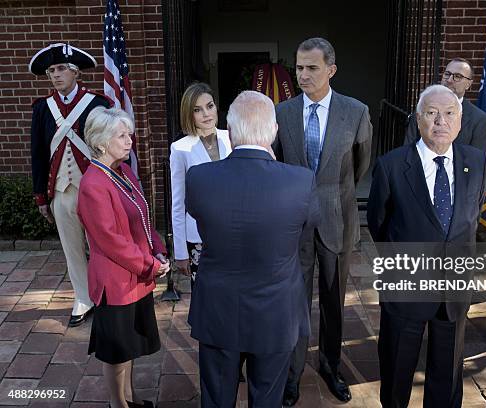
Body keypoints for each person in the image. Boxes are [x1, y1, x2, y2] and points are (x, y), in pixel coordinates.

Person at [185, 90, 319, 408]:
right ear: (273, 131)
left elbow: (196, 214)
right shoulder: (301, 181)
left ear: (230, 133)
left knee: (216, 399)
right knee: (268, 398)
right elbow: (306, 229)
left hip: (218, 309)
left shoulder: (200, 178)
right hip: (276, 311)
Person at [368, 84, 486, 408]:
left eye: (449, 114)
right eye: (431, 113)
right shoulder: (391, 166)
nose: (441, 122)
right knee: (397, 368)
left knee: (447, 373)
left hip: (453, 289)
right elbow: (379, 226)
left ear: (460, 120)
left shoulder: (476, 161)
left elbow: (470, 218)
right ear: (418, 120)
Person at [273, 37, 373, 405]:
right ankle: (291, 374)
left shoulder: (356, 111)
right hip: (294, 224)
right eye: (298, 67)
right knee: (294, 302)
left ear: (331, 70)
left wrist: (333, 195)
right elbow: (278, 164)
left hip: (337, 218)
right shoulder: (282, 113)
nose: (303, 75)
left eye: (312, 68)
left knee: (333, 302)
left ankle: (331, 367)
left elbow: (361, 163)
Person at [77, 107, 169, 408]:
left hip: (136, 276)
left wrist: (158, 249)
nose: (130, 140)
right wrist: (150, 265)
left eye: (129, 134)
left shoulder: (123, 171)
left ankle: (129, 399)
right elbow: (112, 242)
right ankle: (117, 404)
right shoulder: (93, 184)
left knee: (129, 346)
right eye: (122, 135)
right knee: (117, 351)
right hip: (115, 283)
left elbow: (143, 215)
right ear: (102, 142)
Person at [29, 43, 112, 327]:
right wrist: (41, 196)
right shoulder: (42, 109)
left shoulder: (97, 104)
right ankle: (82, 297)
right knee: (71, 247)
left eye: (61, 68)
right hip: (61, 190)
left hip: (94, 190)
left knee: (101, 244)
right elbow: (38, 153)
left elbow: (108, 149)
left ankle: (105, 293)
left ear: (75, 72)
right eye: (51, 70)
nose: (56, 74)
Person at [170, 82, 232, 283]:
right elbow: (178, 202)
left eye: (210, 106)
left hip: (233, 232)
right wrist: (180, 251)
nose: (206, 113)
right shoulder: (180, 149)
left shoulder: (233, 138)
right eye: (197, 109)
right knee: (204, 295)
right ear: (189, 113)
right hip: (198, 237)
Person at [404, 58, 486, 153]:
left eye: (457, 76)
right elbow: (408, 152)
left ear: (468, 84)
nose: (449, 80)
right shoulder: (422, 110)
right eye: (447, 74)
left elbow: (476, 161)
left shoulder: (479, 119)